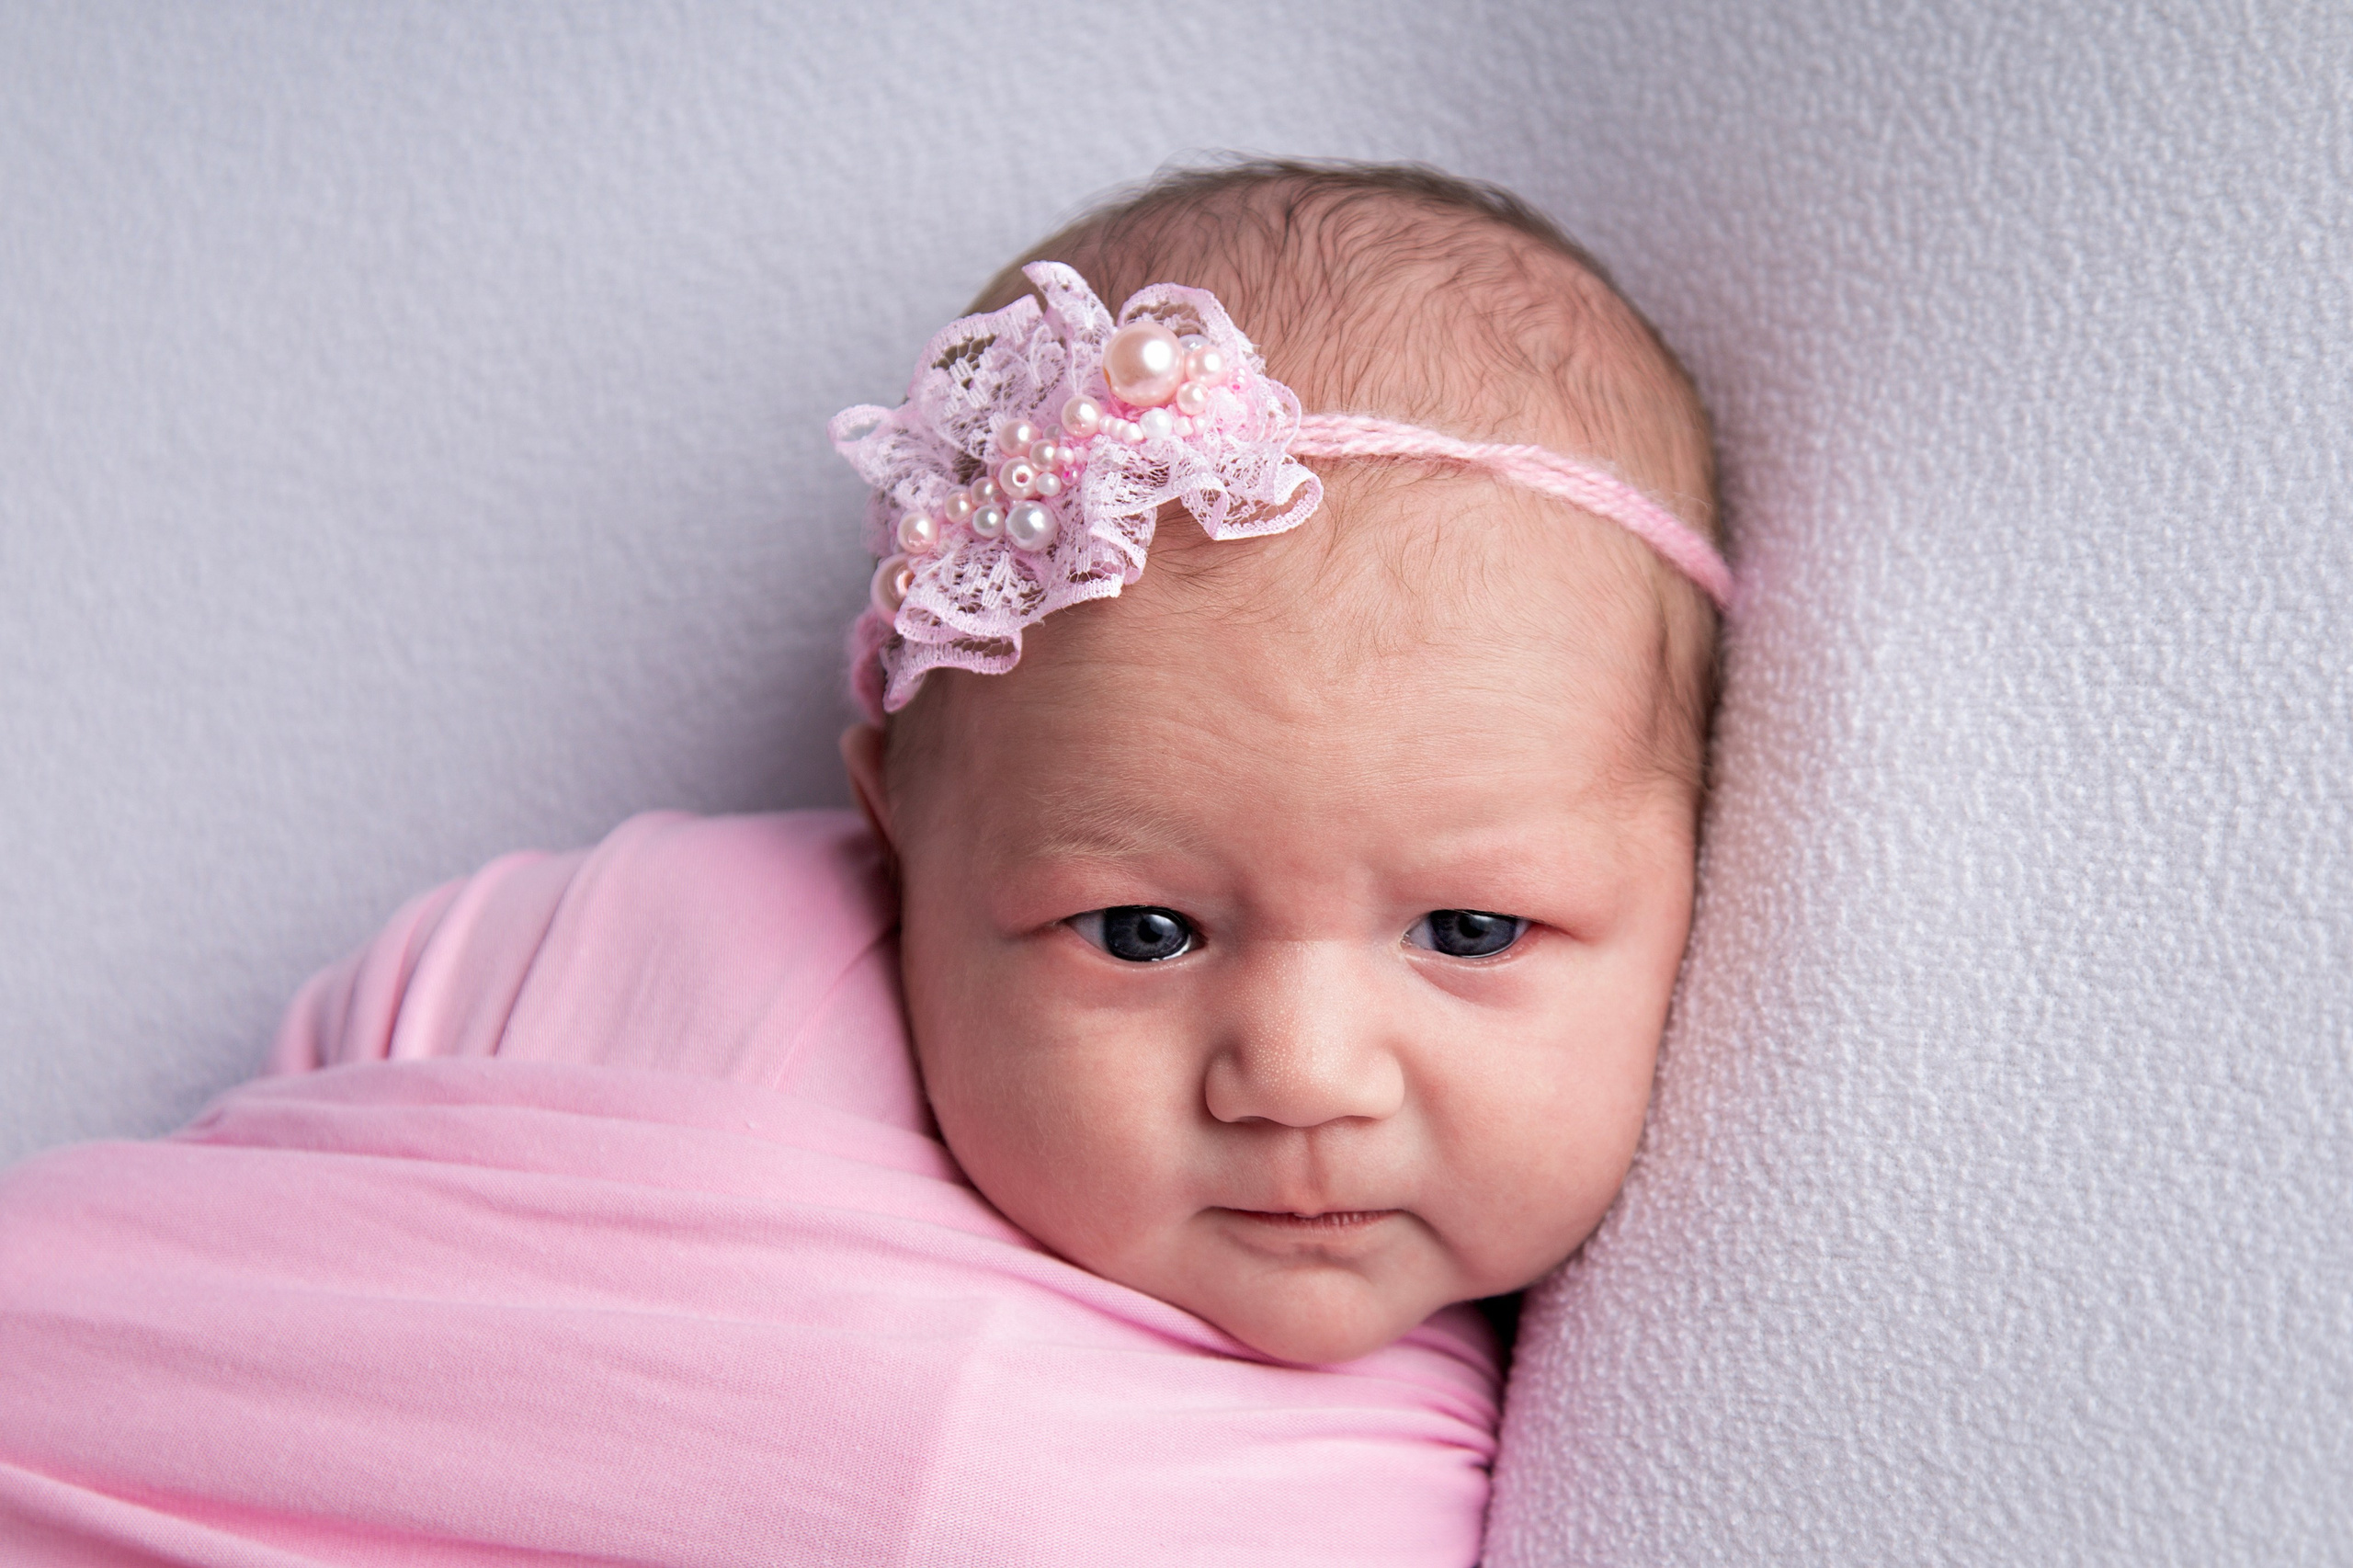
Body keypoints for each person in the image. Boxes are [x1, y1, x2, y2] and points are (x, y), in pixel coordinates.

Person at [0, 160, 1727, 1565]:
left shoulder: (1602, 1414)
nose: (1301, 1074)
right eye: (1140, 930)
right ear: (899, 842)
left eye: (1470, 928)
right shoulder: (621, 939)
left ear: (1694, 870)